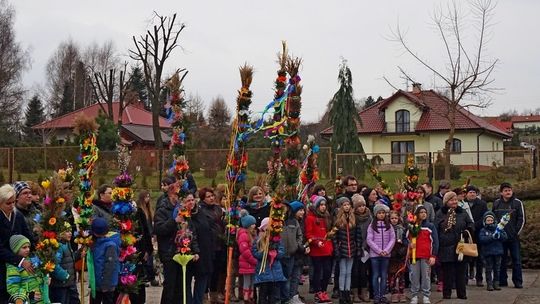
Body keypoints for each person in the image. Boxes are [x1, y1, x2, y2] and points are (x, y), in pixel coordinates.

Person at [154, 186, 199, 304]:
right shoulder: (162, 210)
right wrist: (174, 221)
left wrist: (195, 251)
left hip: (184, 253)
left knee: (182, 287)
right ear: (171, 195)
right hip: (170, 254)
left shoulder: (186, 213)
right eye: (176, 196)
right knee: (170, 287)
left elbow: (192, 233)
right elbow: (159, 229)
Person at [435, 191, 474, 300]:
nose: (454, 202)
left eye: (456, 199)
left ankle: (462, 293)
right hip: (446, 246)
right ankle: (446, 293)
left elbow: (471, 224)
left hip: (460, 245)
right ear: (446, 201)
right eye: (452, 200)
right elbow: (436, 228)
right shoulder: (440, 213)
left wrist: (468, 230)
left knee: (461, 272)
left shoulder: (462, 212)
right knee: (447, 272)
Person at [0, 184, 34, 304]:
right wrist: (20, 260)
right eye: (8, 203)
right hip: (3, 267)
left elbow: (27, 236)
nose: (12, 206)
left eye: (13, 202)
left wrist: (41, 249)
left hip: (18, 268)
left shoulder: (17, 215)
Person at [491, 182, 525, 289]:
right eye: (505, 190)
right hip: (501, 237)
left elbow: (522, 219)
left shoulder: (517, 203)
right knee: (501, 259)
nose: (508, 192)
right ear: (501, 192)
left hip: (513, 238)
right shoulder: (496, 203)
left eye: (509, 190)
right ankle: (502, 280)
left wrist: (516, 233)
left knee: (516, 260)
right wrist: (496, 232)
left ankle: (517, 281)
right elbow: (493, 218)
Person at [198, 188, 226, 304]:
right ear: (203, 198)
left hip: (220, 243)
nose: (211, 198)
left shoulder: (218, 208)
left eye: (212, 196)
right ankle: (204, 295)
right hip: (208, 245)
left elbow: (221, 223)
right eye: (208, 196)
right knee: (208, 271)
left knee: (217, 271)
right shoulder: (201, 210)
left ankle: (214, 294)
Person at [332, 197, 362, 304]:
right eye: (344, 205)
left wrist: (358, 248)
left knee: (349, 272)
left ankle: (347, 292)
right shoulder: (338, 220)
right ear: (341, 207)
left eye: (348, 205)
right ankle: (341, 293)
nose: (347, 207)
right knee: (342, 272)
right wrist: (336, 249)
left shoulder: (354, 219)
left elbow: (358, 235)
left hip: (352, 249)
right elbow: (334, 237)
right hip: (342, 248)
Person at [189, 191, 216, 304]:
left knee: (202, 278)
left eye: (192, 199)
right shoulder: (183, 214)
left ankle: (198, 301)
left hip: (204, 251)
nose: (191, 202)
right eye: (188, 200)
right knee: (187, 280)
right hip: (190, 251)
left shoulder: (200, 213)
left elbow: (207, 229)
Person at [305, 196, 334, 303]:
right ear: (317, 206)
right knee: (318, 271)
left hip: (326, 248)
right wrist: (316, 242)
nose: (323, 207)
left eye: (324, 205)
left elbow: (329, 232)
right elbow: (308, 234)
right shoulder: (310, 218)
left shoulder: (326, 216)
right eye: (321, 205)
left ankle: (324, 291)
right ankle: (318, 292)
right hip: (317, 250)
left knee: (327, 271)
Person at [252, 218, 286, 304]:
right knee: (263, 295)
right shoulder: (258, 241)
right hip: (264, 274)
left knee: (274, 296)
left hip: (275, 274)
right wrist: (265, 253)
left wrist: (275, 253)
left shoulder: (277, 240)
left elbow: (282, 253)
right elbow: (255, 253)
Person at [408, 205, 438, 304]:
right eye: (421, 212)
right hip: (414, 256)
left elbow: (435, 242)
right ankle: (414, 295)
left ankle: (426, 295)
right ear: (417, 214)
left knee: (426, 276)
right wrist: (409, 244)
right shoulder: (411, 225)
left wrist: (433, 256)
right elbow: (405, 238)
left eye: (425, 212)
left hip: (426, 256)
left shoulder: (430, 226)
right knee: (414, 276)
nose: (423, 214)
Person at [367, 203, 395, 304]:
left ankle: (382, 295)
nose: (381, 215)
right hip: (375, 255)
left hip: (386, 255)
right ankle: (376, 295)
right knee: (375, 275)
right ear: (375, 214)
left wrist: (386, 250)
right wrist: (379, 250)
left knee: (384, 275)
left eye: (383, 213)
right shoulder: (372, 226)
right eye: (379, 213)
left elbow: (392, 239)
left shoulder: (389, 226)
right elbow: (369, 240)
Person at [5, 235, 45, 304]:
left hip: (42, 300)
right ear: (16, 249)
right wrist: (29, 295)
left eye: (28, 247)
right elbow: (12, 288)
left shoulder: (33, 260)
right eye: (24, 247)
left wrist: (45, 279)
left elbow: (39, 277)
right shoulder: (13, 267)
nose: (28, 249)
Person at [89, 217, 121, 304]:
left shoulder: (110, 245)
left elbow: (110, 266)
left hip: (107, 284)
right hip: (96, 283)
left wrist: (105, 284)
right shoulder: (95, 243)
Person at [280, 201, 305, 304]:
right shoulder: (276, 221)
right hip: (279, 254)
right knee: (282, 278)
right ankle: (283, 298)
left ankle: (289, 298)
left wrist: (297, 245)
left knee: (290, 276)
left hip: (291, 253)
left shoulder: (293, 221)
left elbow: (299, 235)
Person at [50, 222, 81, 304]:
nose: (70, 233)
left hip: (70, 283)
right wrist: (65, 276)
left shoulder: (67, 244)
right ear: (60, 233)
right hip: (62, 285)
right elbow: (54, 264)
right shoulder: (58, 246)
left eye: (70, 231)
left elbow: (69, 259)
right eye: (67, 231)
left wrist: (80, 253)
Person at [464, 185, 488, 286]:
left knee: (479, 257)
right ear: (467, 194)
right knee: (466, 256)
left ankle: (479, 278)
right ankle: (465, 278)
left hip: (478, 232)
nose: (472, 194)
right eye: (470, 192)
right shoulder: (463, 204)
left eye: (474, 192)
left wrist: (475, 225)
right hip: (466, 233)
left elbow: (485, 216)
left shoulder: (482, 204)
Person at [478, 211, 507, 291]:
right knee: (488, 269)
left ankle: (496, 283)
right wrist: (492, 237)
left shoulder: (499, 228)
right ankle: (489, 283)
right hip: (488, 253)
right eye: (488, 220)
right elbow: (482, 239)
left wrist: (499, 235)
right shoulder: (483, 230)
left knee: (497, 268)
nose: (490, 222)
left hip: (498, 252)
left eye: (491, 220)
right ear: (485, 221)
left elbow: (505, 237)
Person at [135, 190, 158, 287]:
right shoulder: (139, 210)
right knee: (145, 258)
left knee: (150, 258)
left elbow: (150, 224)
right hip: (144, 237)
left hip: (150, 234)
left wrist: (153, 234)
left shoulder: (149, 210)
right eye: (146, 197)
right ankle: (145, 277)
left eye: (149, 197)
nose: (147, 199)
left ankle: (151, 277)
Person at [351, 194, 371, 302]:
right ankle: (355, 293)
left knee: (364, 272)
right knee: (355, 271)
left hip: (366, 248)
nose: (361, 208)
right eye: (359, 206)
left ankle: (364, 292)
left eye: (363, 205)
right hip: (355, 248)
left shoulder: (369, 217)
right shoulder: (352, 217)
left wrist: (366, 245)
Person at [289, 201, 309, 304]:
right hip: (294, 253)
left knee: (297, 276)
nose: (302, 212)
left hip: (300, 253)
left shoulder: (301, 222)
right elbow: (294, 239)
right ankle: (291, 296)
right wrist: (302, 248)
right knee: (292, 276)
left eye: (303, 210)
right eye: (300, 210)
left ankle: (294, 295)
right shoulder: (292, 222)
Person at [237, 210, 258, 304]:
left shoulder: (251, 235)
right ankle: (246, 298)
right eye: (253, 224)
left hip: (251, 263)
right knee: (247, 281)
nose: (254, 225)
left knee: (252, 281)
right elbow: (245, 251)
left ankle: (251, 296)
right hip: (247, 263)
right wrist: (254, 260)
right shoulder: (243, 235)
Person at [388, 210, 407, 303]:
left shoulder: (402, 229)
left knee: (401, 274)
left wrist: (403, 245)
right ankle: (394, 293)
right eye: (392, 218)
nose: (394, 220)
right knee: (392, 275)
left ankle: (402, 291)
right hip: (391, 254)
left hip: (401, 254)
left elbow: (406, 240)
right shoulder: (388, 229)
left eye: (396, 218)